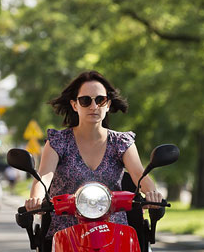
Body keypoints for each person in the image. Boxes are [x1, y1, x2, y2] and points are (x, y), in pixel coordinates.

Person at [24, 71, 164, 235]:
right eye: (85, 100)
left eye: (100, 100)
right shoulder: (58, 141)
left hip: (114, 232)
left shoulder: (121, 142)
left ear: (108, 105)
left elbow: (139, 174)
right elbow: (44, 176)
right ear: (74, 105)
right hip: (67, 232)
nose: (94, 106)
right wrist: (37, 199)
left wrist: (153, 195)